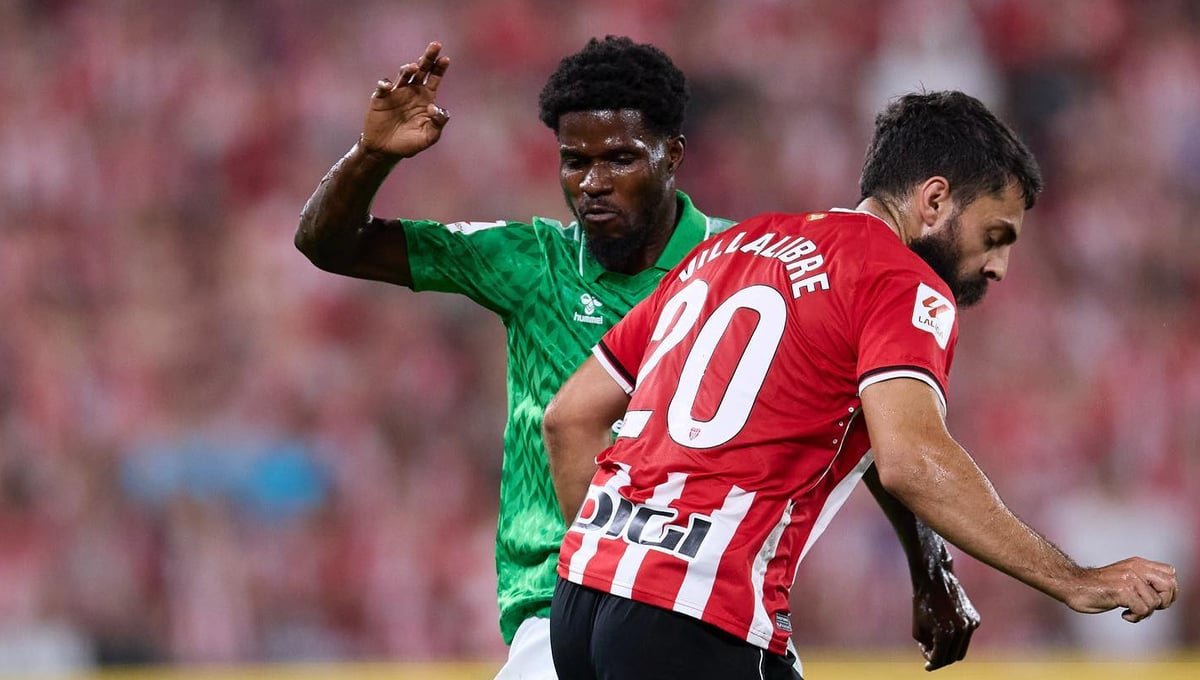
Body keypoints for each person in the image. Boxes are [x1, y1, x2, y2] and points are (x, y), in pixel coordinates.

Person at [295, 37, 977, 677]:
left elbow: (864, 412)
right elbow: (331, 244)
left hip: (707, 602)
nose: (592, 182)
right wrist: (372, 155)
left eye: (620, 158)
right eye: (575, 161)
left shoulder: (756, 265)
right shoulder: (530, 262)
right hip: (557, 613)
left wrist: (930, 564)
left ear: (672, 154)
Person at [542, 90, 1179, 680]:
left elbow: (568, 418)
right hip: (697, 614)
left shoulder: (729, 247)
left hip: (582, 602)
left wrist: (929, 565)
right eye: (994, 236)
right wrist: (1076, 580)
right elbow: (912, 458)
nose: (999, 267)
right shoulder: (899, 280)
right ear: (934, 200)